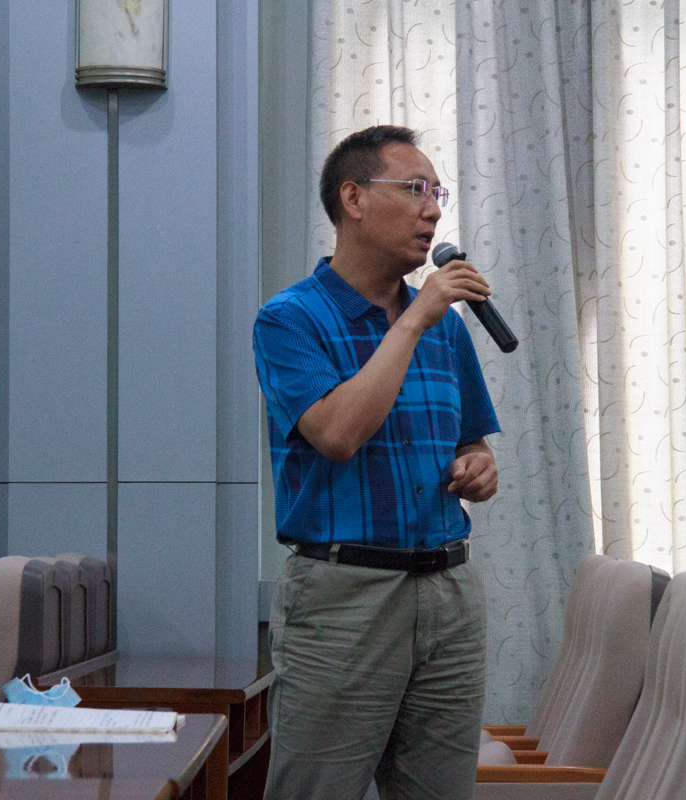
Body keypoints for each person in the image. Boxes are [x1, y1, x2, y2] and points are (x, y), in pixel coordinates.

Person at [253, 125, 501, 800]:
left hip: (449, 593)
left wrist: (479, 468)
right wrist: (413, 320)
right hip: (345, 596)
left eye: (438, 193)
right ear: (354, 198)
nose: (432, 210)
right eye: (415, 189)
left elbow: (473, 443)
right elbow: (337, 433)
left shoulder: (447, 327)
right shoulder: (290, 319)